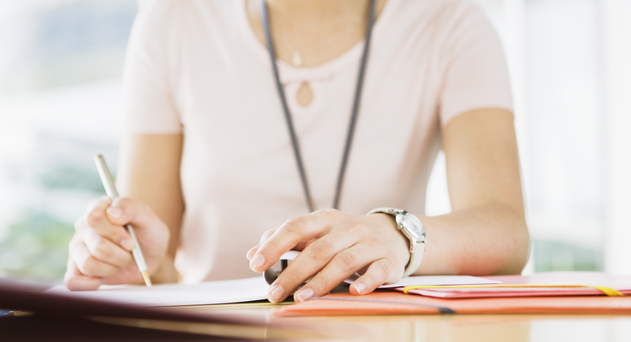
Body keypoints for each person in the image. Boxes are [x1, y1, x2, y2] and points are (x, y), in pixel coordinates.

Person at [64, 0, 530, 304]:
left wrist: (399, 235)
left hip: (380, 335)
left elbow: (505, 233)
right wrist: (127, 260)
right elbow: (156, 268)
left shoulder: (450, 22)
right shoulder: (174, 20)